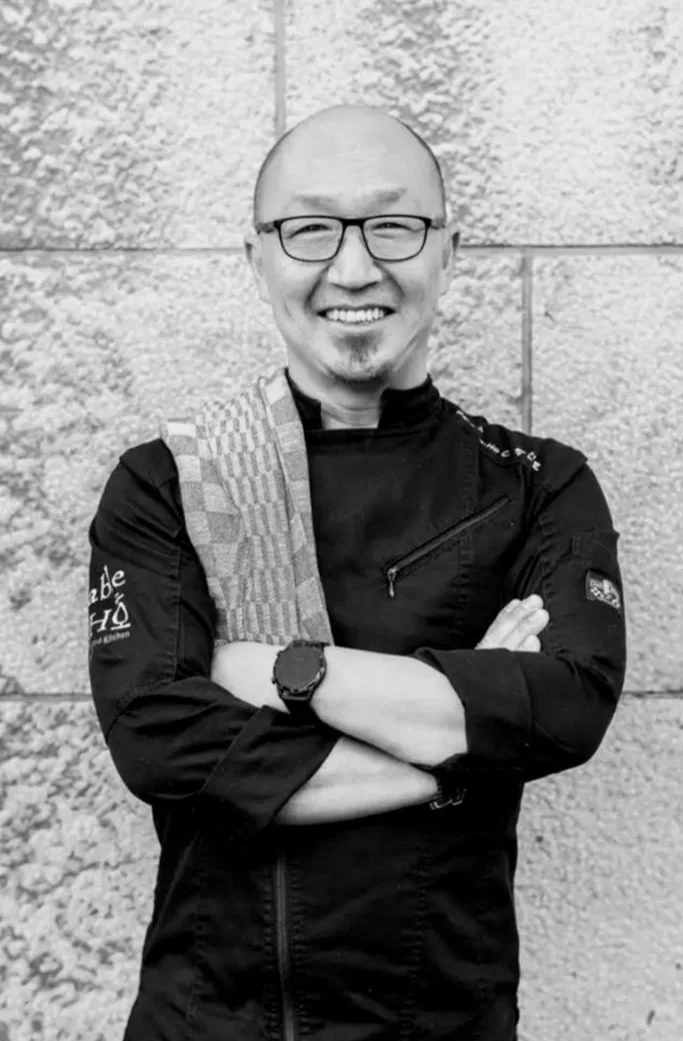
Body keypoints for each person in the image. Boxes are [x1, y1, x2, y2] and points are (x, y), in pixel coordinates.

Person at [88, 104, 627, 1041]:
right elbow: (159, 740)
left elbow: (567, 702)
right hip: (204, 1020)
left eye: (392, 225)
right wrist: (455, 747)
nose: (352, 267)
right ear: (257, 256)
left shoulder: (538, 485)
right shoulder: (171, 481)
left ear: (447, 251)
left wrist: (281, 671)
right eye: (309, 229)